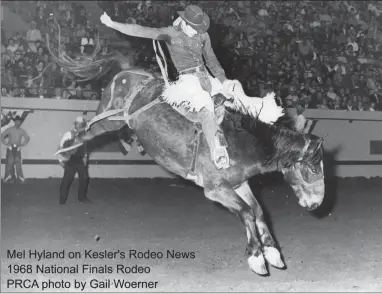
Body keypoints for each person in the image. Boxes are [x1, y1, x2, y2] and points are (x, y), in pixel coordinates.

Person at [100, 5, 233, 170]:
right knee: (206, 108)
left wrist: (224, 80)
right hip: (188, 80)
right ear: (185, 22)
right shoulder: (170, 33)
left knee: (233, 97)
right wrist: (113, 24)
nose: (197, 32)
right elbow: (141, 30)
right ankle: (218, 153)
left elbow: (211, 60)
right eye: (194, 28)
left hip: (206, 76)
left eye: (199, 28)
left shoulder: (202, 35)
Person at [58, 116, 90, 204]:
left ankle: (82, 198)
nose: (79, 125)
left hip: (80, 160)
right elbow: (61, 147)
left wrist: (85, 157)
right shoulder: (68, 134)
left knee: (84, 179)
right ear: (75, 124)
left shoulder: (84, 135)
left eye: (81, 124)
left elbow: (85, 148)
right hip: (70, 160)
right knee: (67, 180)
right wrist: (60, 160)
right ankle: (62, 200)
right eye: (77, 124)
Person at [1, 116, 30, 183]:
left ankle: (20, 178)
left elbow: (27, 138)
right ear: (14, 122)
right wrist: (7, 144)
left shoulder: (21, 130)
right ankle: (8, 178)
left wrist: (22, 145)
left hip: (17, 149)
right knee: (9, 163)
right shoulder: (10, 129)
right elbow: (2, 136)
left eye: (19, 122)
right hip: (10, 148)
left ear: (20, 122)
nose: (18, 123)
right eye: (16, 121)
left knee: (18, 163)